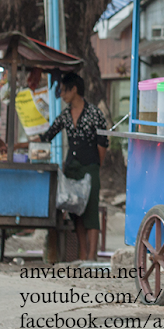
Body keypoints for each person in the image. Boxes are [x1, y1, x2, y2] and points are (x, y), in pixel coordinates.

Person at [31, 73, 108, 260]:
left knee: (90, 210)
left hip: (90, 167)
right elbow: (48, 136)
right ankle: (83, 255)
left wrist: (96, 167)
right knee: (76, 213)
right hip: (71, 168)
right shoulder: (65, 115)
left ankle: (91, 257)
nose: (62, 94)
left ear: (74, 90)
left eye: (64, 90)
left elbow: (103, 144)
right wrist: (25, 144)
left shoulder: (94, 113)